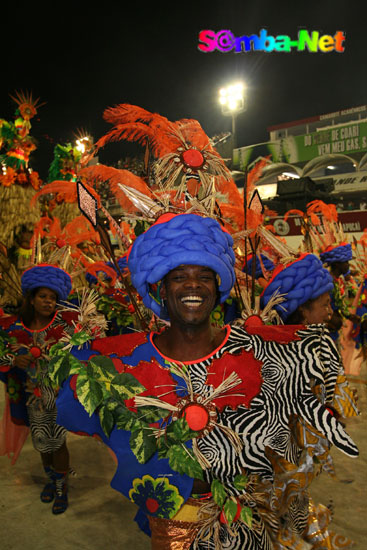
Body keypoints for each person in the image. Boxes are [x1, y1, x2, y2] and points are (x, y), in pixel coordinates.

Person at [51, 212, 358, 550]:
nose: (193, 285)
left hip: (248, 519)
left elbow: (314, 362)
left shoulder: (256, 351)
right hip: (174, 527)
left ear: (217, 287)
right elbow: (69, 382)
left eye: (204, 276)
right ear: (162, 290)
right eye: (179, 276)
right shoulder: (127, 364)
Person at [260, 252, 359, 549]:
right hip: (293, 455)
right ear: (303, 311)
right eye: (325, 305)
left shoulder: (269, 345)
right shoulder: (319, 347)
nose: (330, 313)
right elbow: (341, 407)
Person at [0, 263, 76, 514]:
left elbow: (79, 357)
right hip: (31, 399)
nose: (48, 301)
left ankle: (61, 489)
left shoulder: (64, 329)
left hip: (58, 397)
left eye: (53, 298)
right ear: (31, 299)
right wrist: (14, 360)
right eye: (43, 296)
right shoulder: (13, 329)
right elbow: (2, 357)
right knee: (42, 443)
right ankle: (51, 481)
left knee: (58, 443)